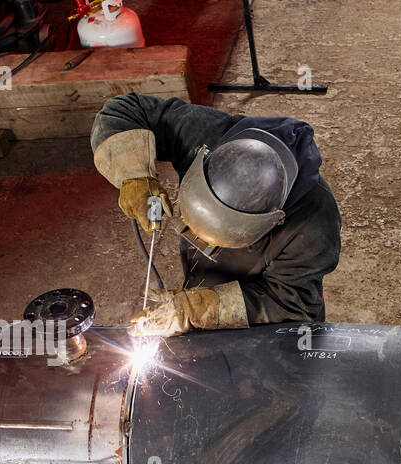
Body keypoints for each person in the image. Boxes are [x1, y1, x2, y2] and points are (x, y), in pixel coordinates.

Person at [91, 93, 342, 334]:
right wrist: (134, 174)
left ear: (272, 220)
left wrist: (198, 308)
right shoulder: (204, 135)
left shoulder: (314, 223)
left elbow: (291, 303)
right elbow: (124, 109)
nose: (199, 242)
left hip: (265, 318)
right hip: (210, 279)